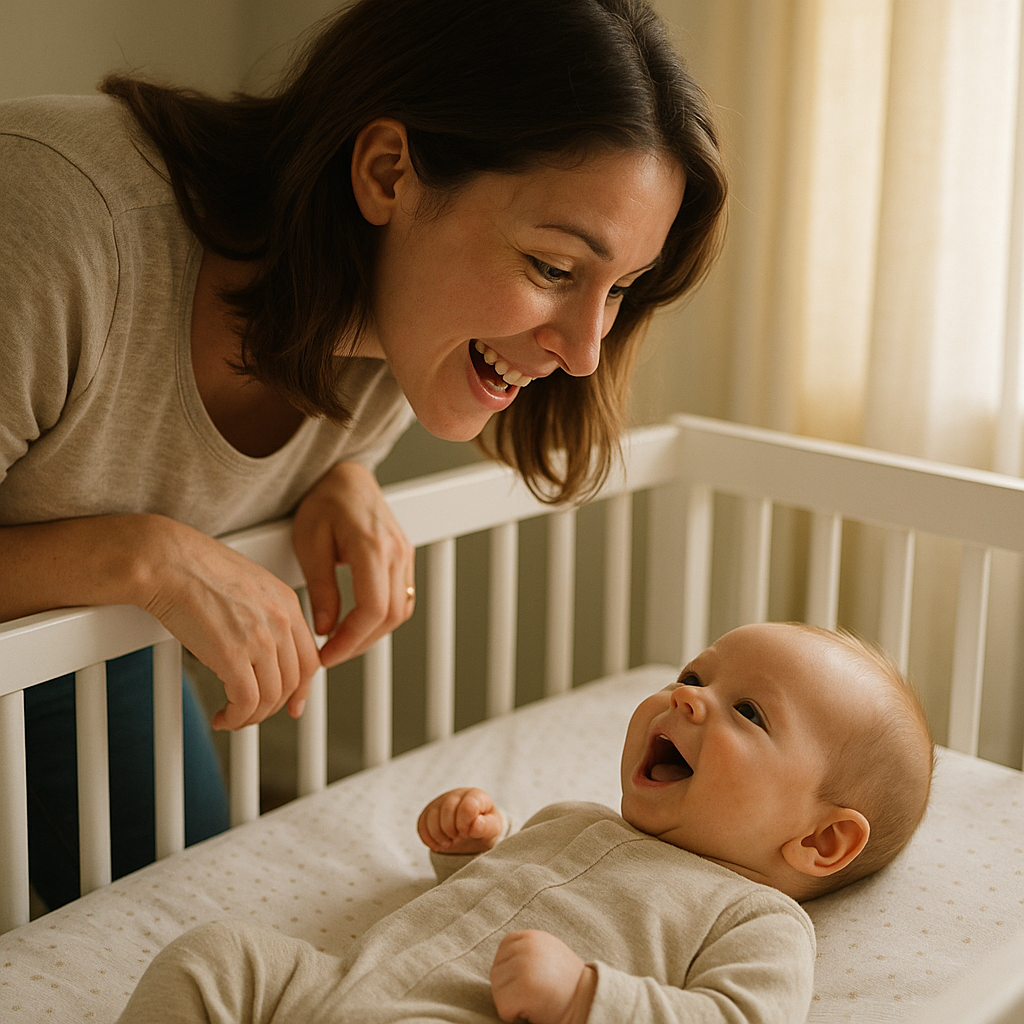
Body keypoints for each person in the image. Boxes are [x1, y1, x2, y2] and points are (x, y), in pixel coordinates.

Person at [0, 0, 728, 910]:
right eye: (552, 269)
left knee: (177, 929)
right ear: (389, 172)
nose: (584, 352)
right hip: (86, 630)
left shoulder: (396, 340)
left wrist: (322, 475)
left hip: (79, 660)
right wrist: (143, 556)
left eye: (618, 287)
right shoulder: (59, 226)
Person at [112, 622, 935, 1024]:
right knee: (216, 956)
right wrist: (469, 853)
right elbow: (501, 896)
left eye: (748, 711)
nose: (689, 696)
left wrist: (586, 997)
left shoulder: (755, 917)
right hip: (338, 985)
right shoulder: (573, 816)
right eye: (695, 674)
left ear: (822, 839)